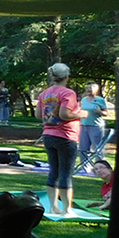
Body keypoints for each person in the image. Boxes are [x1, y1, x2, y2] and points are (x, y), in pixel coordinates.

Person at [37, 62, 86, 216]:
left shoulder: (44, 93)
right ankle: (66, 209)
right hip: (65, 136)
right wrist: (81, 114)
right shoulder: (68, 93)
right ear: (67, 76)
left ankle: (53, 207)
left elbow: (39, 115)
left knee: (54, 172)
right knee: (66, 173)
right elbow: (65, 115)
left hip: (48, 135)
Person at [79, 82, 108, 170]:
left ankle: (100, 168)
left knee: (98, 150)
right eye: (87, 88)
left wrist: (99, 112)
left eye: (91, 89)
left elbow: (106, 113)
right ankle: (85, 169)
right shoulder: (83, 100)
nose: (88, 90)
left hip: (96, 126)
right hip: (83, 126)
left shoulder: (100, 100)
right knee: (83, 149)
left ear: (96, 90)